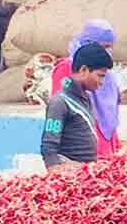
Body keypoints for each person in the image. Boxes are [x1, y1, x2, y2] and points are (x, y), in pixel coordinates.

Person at [50, 20, 122, 159]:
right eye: (103, 47)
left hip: (106, 148)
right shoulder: (68, 68)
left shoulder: (108, 75)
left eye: (109, 47)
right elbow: (59, 110)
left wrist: (116, 147)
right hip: (81, 151)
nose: (107, 52)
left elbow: (109, 116)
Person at [40, 43, 113, 174]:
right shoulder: (60, 102)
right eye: (100, 76)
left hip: (85, 172)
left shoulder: (86, 98)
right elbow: (49, 146)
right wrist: (57, 175)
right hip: (69, 175)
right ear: (83, 70)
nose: (102, 82)